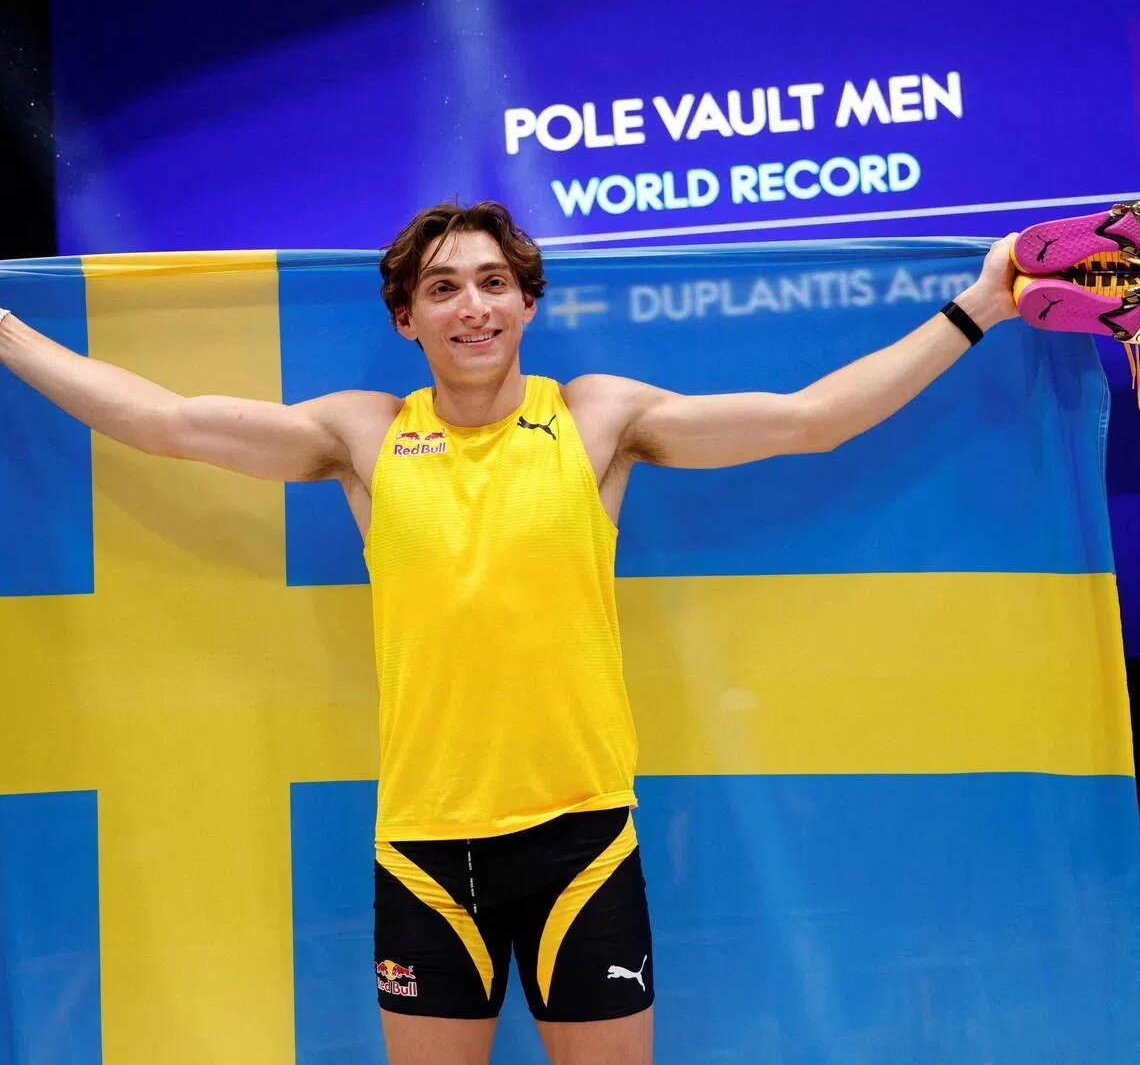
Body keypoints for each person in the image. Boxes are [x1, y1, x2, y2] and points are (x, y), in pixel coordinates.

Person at [0, 202, 1019, 1065]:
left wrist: (981, 306)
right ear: (406, 318)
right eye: (442, 288)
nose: (473, 306)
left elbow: (813, 418)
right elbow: (165, 422)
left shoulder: (597, 418)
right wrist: (8, 334)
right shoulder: (363, 436)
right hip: (425, 852)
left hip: (582, 840)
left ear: (529, 302)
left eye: (493, 282)